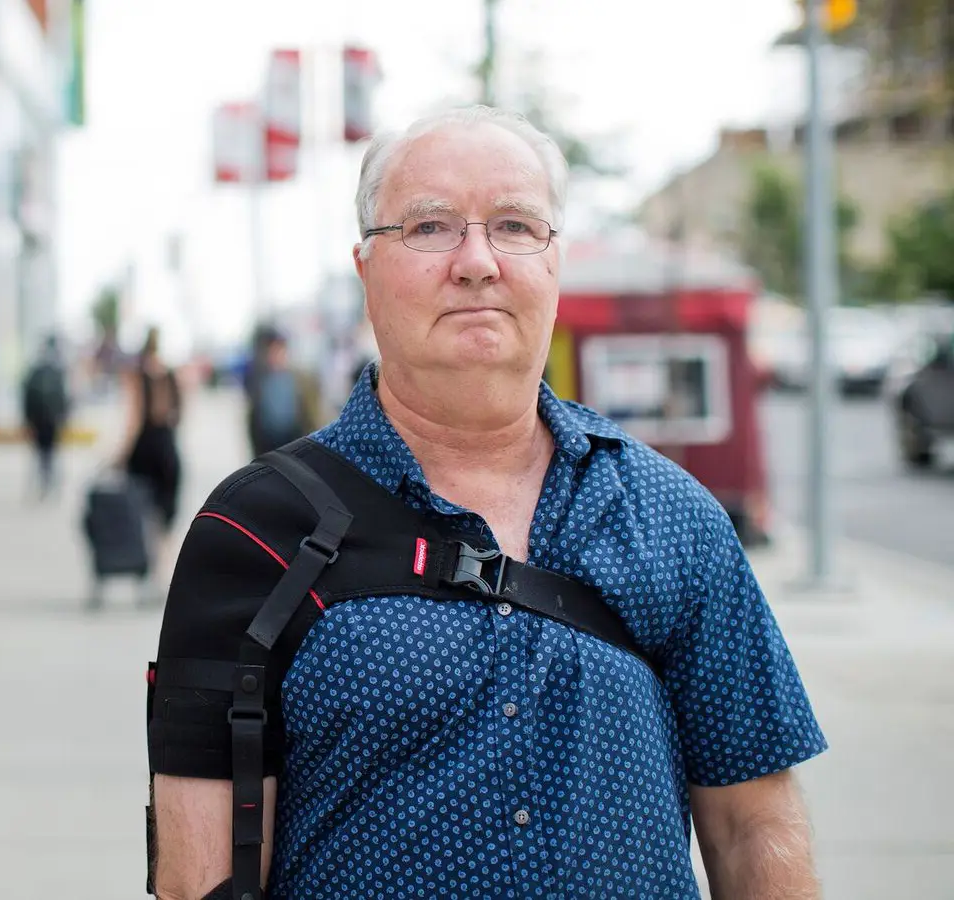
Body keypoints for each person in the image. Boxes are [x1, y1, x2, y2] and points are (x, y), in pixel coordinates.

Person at [147, 106, 826, 899]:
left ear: (554, 264)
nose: (477, 262)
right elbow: (199, 882)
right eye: (431, 226)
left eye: (514, 225)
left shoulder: (673, 518)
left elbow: (756, 826)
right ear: (366, 272)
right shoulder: (254, 532)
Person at [119, 327, 184, 580]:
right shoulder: (170, 375)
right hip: (167, 449)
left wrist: (120, 455)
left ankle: (147, 563)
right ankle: (164, 568)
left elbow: (133, 420)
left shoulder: (137, 375)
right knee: (166, 513)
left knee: (140, 510)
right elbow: (179, 414)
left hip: (143, 451)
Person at [245, 330, 321, 459]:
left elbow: (311, 411)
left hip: (293, 438)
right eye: (273, 351)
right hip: (268, 441)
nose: (277, 355)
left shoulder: (300, 379)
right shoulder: (261, 379)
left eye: (280, 350)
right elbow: (255, 413)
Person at [21, 334, 72, 499]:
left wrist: (27, 420)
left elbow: (26, 398)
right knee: (49, 453)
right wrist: (64, 419)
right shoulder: (56, 372)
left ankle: (46, 483)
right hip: (51, 420)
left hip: (39, 420)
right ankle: (49, 483)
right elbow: (64, 399)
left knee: (42, 454)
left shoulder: (35, 372)